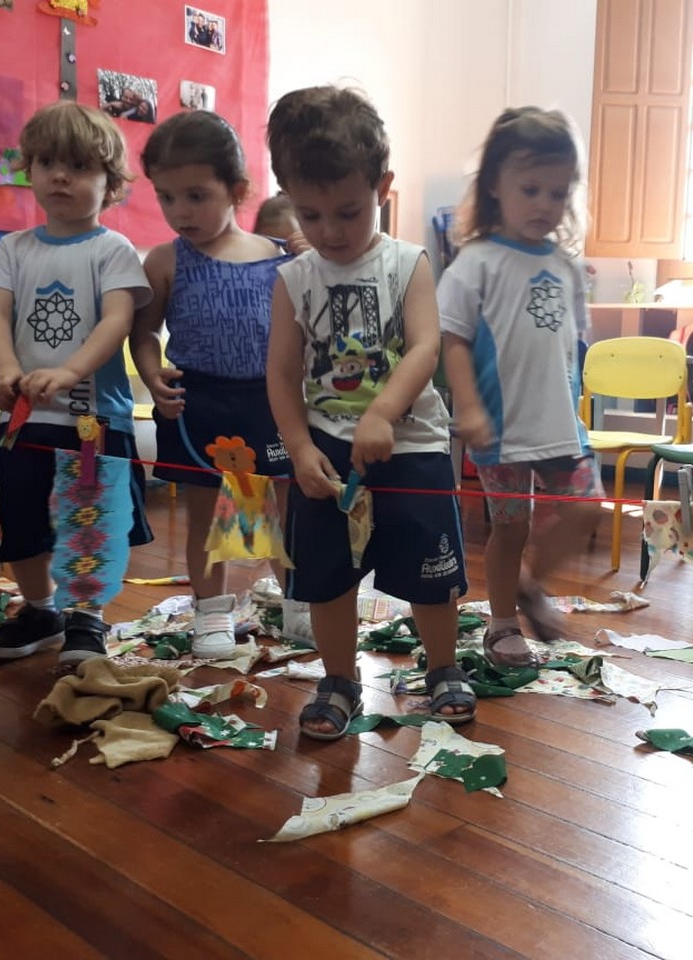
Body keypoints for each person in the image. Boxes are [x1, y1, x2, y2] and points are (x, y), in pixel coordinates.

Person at [265, 85, 474, 740]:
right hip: (326, 450)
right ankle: (339, 680)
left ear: (383, 188)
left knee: (431, 573)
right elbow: (281, 374)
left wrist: (383, 412)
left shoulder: (408, 263)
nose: (330, 231)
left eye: (348, 212)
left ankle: (441, 667)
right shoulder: (294, 279)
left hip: (413, 445)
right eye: (311, 214)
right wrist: (300, 448)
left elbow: (425, 347)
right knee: (328, 579)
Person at [0, 101, 154, 668]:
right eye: (48, 163)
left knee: (90, 523)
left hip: (92, 419)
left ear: (111, 183)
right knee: (20, 517)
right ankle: (40, 610)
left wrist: (71, 372)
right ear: (30, 169)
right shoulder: (14, 248)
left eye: (78, 166)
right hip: (25, 418)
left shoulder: (112, 249)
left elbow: (117, 320)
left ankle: (86, 617)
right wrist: (4, 368)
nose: (60, 176)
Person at [437, 107, 602, 669]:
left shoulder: (568, 266)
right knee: (510, 527)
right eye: (530, 190)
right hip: (501, 426)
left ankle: (532, 584)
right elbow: (453, 340)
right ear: (494, 186)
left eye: (558, 193)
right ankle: (503, 623)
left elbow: (570, 346)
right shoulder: (476, 262)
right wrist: (468, 406)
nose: (544, 205)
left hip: (560, 423)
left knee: (585, 507)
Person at [131, 110, 295, 659]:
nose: (180, 211)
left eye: (196, 196)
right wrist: (152, 374)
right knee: (206, 514)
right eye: (167, 197)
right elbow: (144, 333)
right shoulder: (164, 261)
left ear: (238, 191)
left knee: (283, 510)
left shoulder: (280, 257)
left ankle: (300, 603)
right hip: (196, 402)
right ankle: (211, 613)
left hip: (268, 400)